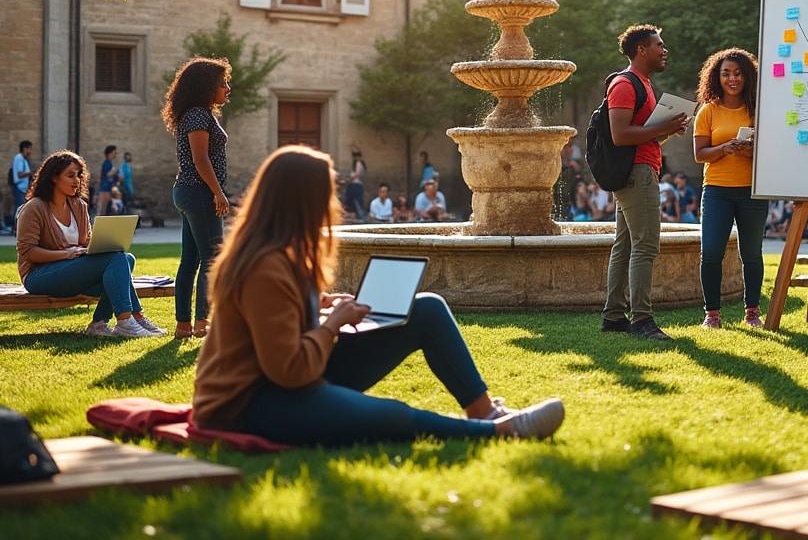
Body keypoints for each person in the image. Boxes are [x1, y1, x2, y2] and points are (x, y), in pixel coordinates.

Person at [190, 145, 564, 445]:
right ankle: (498, 432)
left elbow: (279, 323)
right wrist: (333, 325)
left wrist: (323, 306)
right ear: (301, 202)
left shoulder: (285, 255)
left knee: (427, 310)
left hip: (293, 378)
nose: (333, 205)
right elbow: (288, 370)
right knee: (390, 415)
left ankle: (484, 411)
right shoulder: (264, 267)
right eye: (326, 195)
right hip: (251, 402)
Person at [16, 151, 166, 338]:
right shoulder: (34, 208)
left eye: (79, 175)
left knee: (126, 259)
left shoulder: (79, 206)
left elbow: (86, 241)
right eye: (70, 175)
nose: (77, 180)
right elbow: (28, 252)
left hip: (73, 272)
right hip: (39, 276)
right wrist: (67, 254)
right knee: (116, 260)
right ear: (54, 177)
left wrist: (96, 246)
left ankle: (100, 324)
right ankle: (127, 320)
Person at [600, 25, 688, 341]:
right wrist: (662, 127)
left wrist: (668, 130)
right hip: (637, 174)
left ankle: (614, 316)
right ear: (641, 49)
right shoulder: (626, 84)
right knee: (646, 245)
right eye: (659, 45)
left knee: (625, 245)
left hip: (640, 169)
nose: (664, 50)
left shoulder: (645, 85)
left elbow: (643, 137)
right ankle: (641, 319)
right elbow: (620, 135)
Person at [693, 47, 767, 329]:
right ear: (717, 77)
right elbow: (700, 154)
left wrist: (749, 151)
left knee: (752, 254)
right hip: (717, 191)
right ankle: (712, 315)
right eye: (726, 74)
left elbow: (769, 153)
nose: (732, 79)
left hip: (752, 191)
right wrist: (724, 148)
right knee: (711, 252)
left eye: (737, 73)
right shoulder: (708, 111)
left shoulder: (757, 111)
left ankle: (752, 313)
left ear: (747, 76)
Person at [163, 57, 231, 340]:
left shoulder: (196, 114)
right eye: (222, 83)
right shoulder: (198, 116)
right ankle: (202, 322)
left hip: (190, 191)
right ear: (206, 86)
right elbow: (200, 158)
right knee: (212, 258)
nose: (227, 89)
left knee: (190, 260)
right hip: (199, 191)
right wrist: (218, 192)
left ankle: (184, 326)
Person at [9, 140, 32, 232]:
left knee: (20, 207)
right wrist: (29, 173)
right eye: (28, 149)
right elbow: (19, 174)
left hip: (23, 188)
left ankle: (17, 226)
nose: (29, 151)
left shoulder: (24, 159)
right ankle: (14, 227)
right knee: (18, 208)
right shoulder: (19, 158)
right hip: (19, 187)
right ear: (24, 148)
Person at [95, 145, 118, 217]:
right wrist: (114, 172)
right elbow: (106, 174)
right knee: (101, 207)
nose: (115, 155)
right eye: (114, 153)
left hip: (108, 187)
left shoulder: (110, 163)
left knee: (104, 208)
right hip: (104, 187)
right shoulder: (107, 163)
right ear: (109, 154)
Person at [345, 148, 367, 222]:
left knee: (355, 202)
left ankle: (360, 217)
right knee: (353, 202)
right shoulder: (358, 163)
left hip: (355, 185)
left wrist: (349, 180)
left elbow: (357, 174)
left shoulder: (358, 163)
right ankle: (354, 217)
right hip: (355, 185)